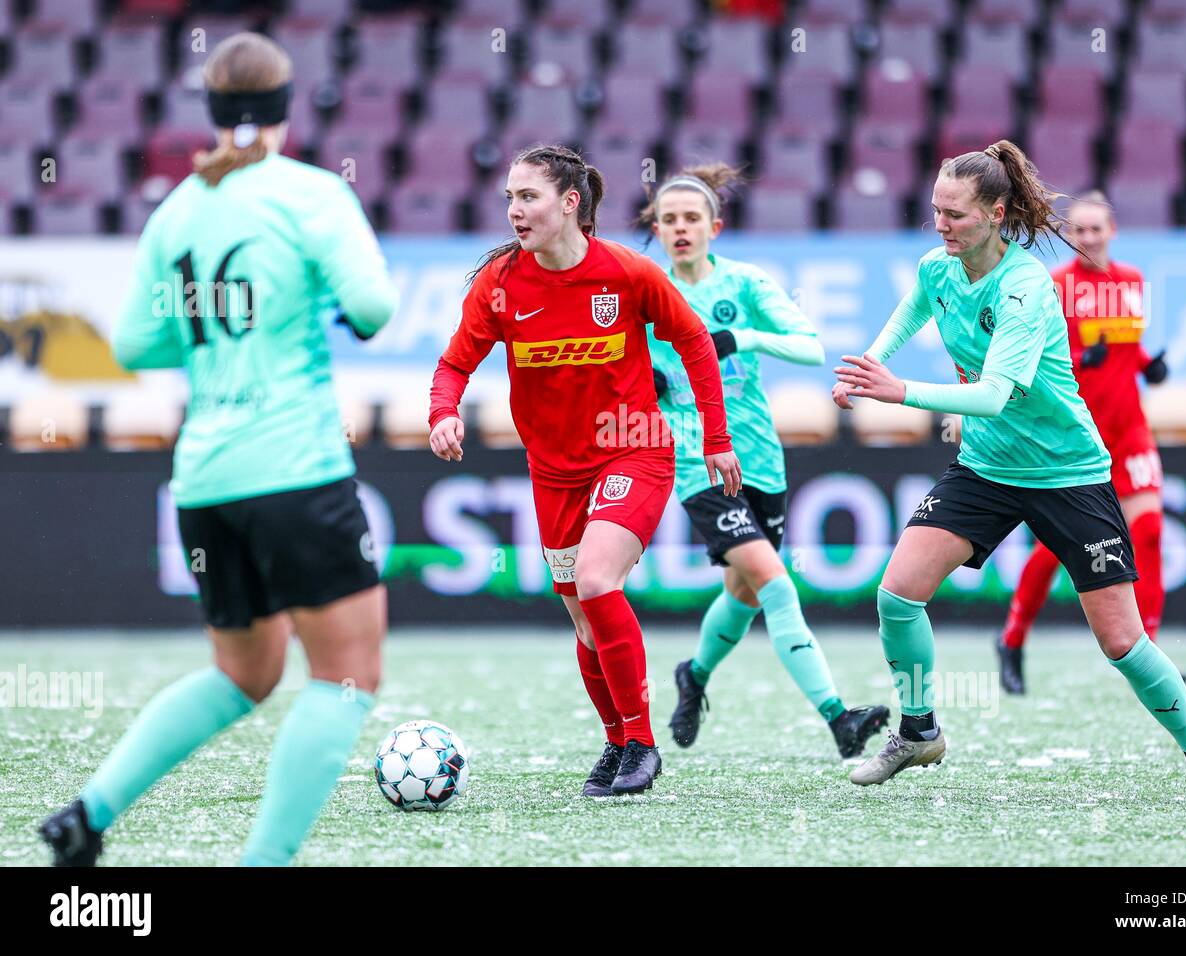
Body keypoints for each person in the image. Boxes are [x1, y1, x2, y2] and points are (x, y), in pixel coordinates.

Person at [39, 33, 398, 867]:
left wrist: (213, 345)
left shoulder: (179, 208)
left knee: (245, 674)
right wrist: (302, 313)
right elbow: (374, 308)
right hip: (295, 468)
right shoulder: (309, 194)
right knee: (347, 678)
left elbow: (134, 342)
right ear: (284, 107)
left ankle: (89, 814)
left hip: (203, 477)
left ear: (211, 109)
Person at [832, 141, 1186, 804]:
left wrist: (897, 389)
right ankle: (918, 729)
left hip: (1067, 472)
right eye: (935, 211)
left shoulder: (1025, 289)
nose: (941, 225)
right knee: (897, 595)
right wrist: (866, 363)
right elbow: (915, 306)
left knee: (1121, 641)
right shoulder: (940, 268)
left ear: (995, 213)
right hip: (987, 468)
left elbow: (994, 396)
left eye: (955, 214)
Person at [427, 145, 742, 797]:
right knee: (582, 619)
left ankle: (644, 746)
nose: (514, 210)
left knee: (598, 580)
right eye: (509, 198)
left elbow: (693, 341)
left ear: (570, 203)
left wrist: (716, 437)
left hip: (635, 447)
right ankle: (619, 740)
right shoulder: (500, 284)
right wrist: (442, 414)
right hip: (554, 471)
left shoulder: (626, 273)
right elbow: (455, 363)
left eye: (528, 197)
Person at [639, 163, 889, 757]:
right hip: (698, 460)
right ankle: (839, 717)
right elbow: (612, 362)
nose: (679, 229)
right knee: (775, 586)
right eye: (667, 220)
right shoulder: (645, 289)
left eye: (691, 219)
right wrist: (639, 380)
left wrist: (742, 337)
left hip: (760, 458)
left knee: (744, 592)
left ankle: (693, 675)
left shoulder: (745, 286)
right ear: (656, 227)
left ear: (714, 227)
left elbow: (810, 346)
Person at [997, 190, 1169, 694]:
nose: (1089, 237)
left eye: (1097, 228)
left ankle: (1149, 651)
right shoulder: (1054, 287)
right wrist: (1078, 359)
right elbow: (1034, 361)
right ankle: (1012, 639)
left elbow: (1127, 350)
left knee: (1152, 532)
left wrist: (1147, 367)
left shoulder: (1133, 282)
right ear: (1069, 234)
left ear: (1112, 230)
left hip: (1130, 428)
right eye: (1080, 229)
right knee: (1058, 549)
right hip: (1078, 435)